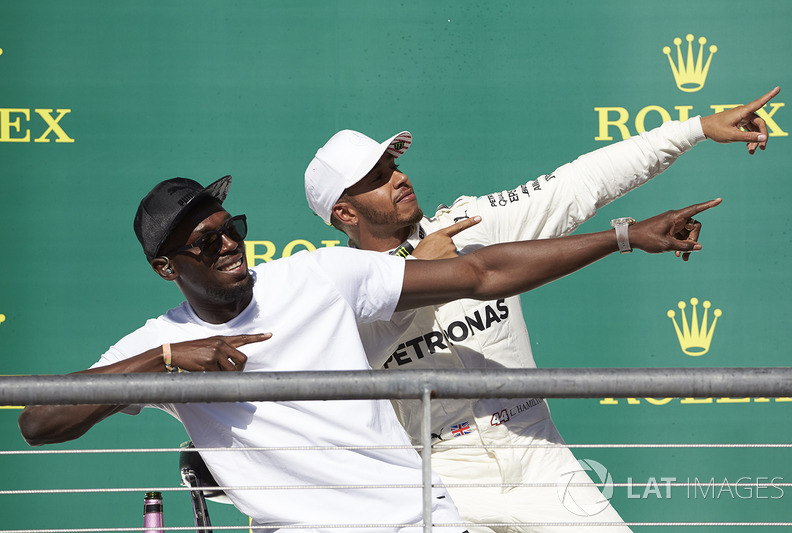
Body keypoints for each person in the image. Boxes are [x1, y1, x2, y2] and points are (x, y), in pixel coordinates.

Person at [19, 176, 716, 532]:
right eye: (205, 242)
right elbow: (38, 422)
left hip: (419, 519)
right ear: (169, 268)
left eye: (231, 227)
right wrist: (168, 362)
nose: (228, 243)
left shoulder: (318, 274)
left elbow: (481, 273)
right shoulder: (156, 342)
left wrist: (624, 234)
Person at [302, 87, 779, 533]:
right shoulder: (332, 284)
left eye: (393, 165)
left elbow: (583, 182)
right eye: (378, 178)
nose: (399, 177)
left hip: (536, 446)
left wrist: (696, 128)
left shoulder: (471, 224)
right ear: (345, 213)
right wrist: (413, 275)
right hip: (440, 470)